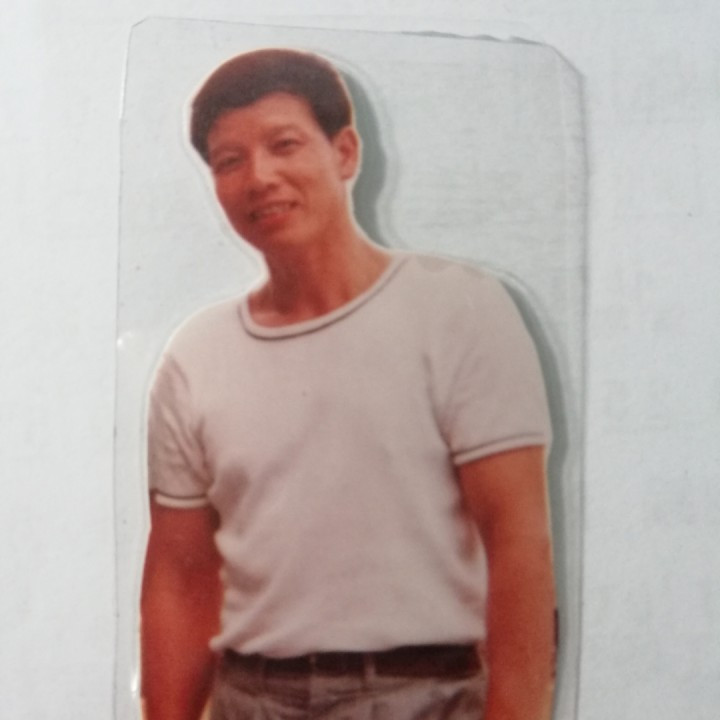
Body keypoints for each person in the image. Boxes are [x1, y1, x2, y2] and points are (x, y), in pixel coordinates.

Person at [140, 48, 556, 720]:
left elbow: (519, 543)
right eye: (229, 161)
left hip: (423, 696)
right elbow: (179, 579)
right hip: (250, 699)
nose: (260, 177)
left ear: (345, 152)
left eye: (284, 145)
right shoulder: (195, 356)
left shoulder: (459, 308)